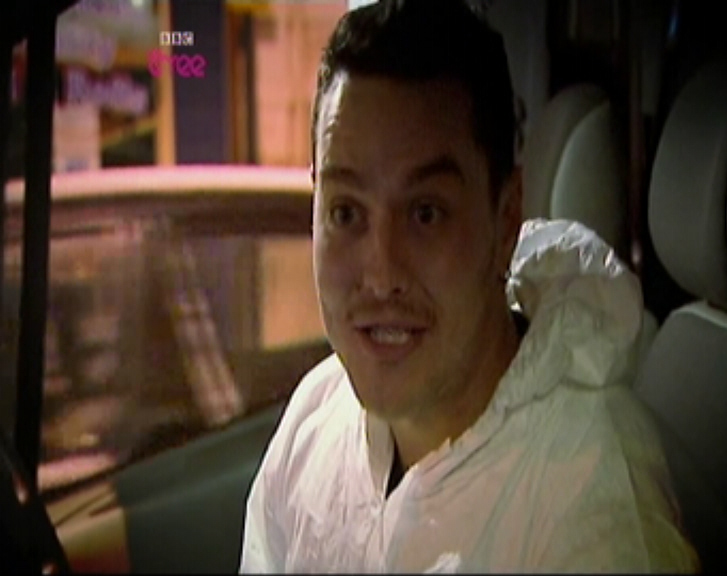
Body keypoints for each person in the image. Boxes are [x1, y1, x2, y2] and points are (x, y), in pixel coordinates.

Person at [239, 0, 700, 572]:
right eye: (346, 213)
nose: (380, 275)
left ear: (505, 221)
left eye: (426, 213)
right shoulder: (317, 413)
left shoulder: (589, 500)